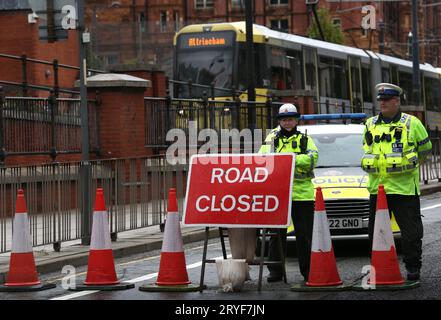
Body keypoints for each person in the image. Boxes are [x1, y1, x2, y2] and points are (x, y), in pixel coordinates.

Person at [361, 83, 432, 281]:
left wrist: (412, 166)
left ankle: (412, 267)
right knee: (376, 232)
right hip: (379, 189)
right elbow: (367, 149)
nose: (382, 103)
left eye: (386, 100)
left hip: (404, 188)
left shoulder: (412, 123)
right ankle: (378, 268)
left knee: (411, 233)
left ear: (396, 101)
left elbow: (425, 148)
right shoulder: (370, 124)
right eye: (380, 101)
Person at [259, 103, 318, 282]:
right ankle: (275, 271)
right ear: (279, 121)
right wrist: (293, 159)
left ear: (296, 120)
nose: (287, 122)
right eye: (284, 119)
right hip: (279, 194)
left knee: (304, 236)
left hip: (302, 194)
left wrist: (288, 159)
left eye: (290, 119)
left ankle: (307, 271)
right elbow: (263, 159)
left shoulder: (305, 138)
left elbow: (312, 159)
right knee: (276, 235)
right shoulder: (271, 138)